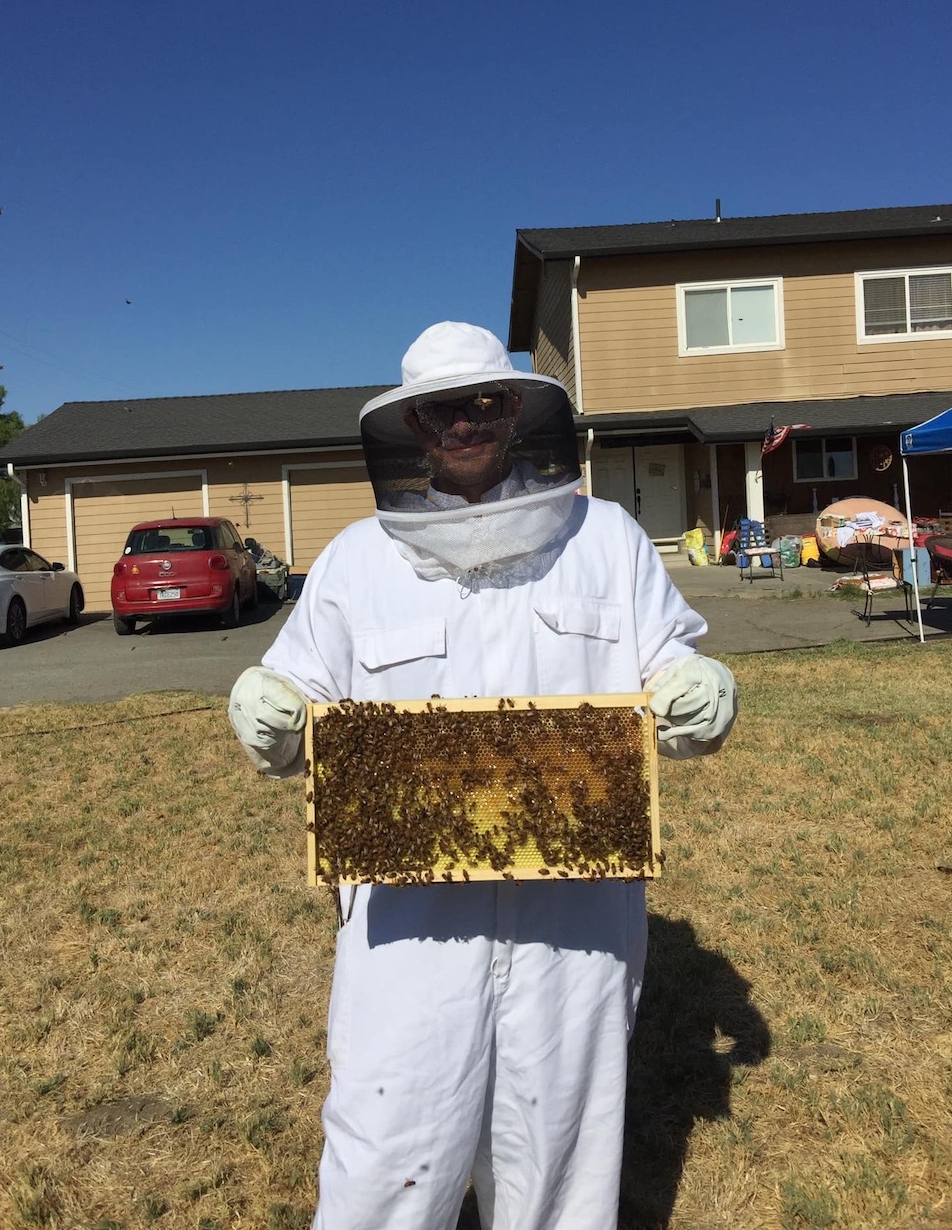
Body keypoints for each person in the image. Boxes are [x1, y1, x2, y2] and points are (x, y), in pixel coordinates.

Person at [229, 321, 737, 1230]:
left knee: (558, 1158)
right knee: (385, 1156)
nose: (464, 423)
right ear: (413, 427)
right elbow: (300, 694)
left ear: (515, 411)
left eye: (484, 402)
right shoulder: (355, 561)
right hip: (409, 934)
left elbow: (669, 665)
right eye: (441, 410)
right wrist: (267, 708)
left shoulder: (608, 540)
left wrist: (695, 692)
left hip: (571, 928)